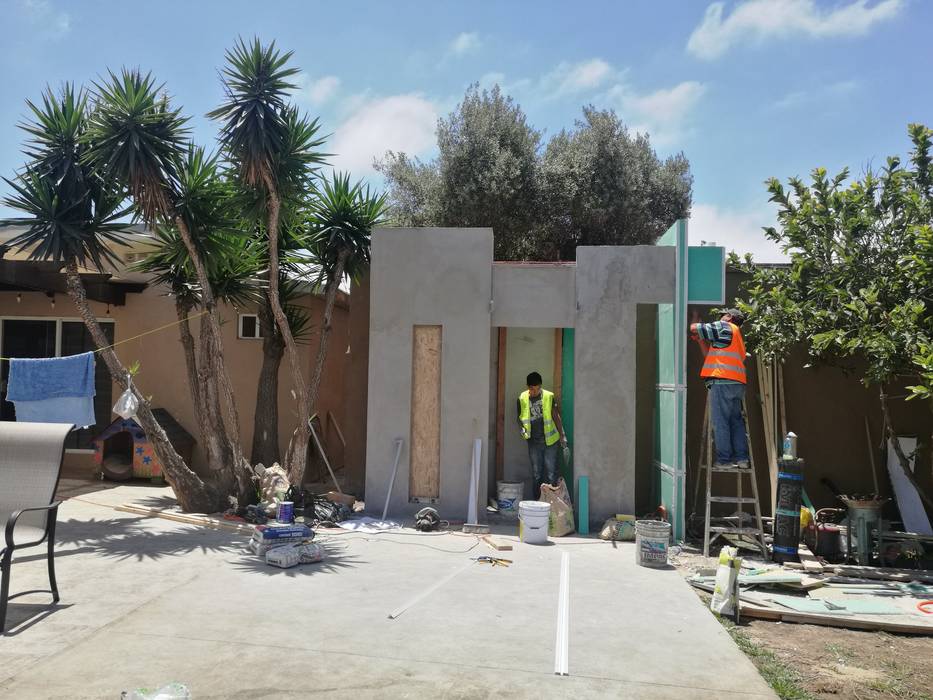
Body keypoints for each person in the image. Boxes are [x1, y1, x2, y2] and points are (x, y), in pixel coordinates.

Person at [690, 309, 750, 469]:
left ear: (729, 317)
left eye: (723, 315)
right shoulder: (736, 337)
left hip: (722, 382)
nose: (720, 317)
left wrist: (695, 318)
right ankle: (742, 459)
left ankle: (724, 460)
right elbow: (709, 355)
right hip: (737, 384)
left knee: (721, 421)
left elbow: (694, 328)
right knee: (735, 421)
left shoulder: (724, 326)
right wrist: (701, 340)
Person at [517, 371, 567, 499]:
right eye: (533, 389)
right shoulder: (522, 398)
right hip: (534, 442)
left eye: (538, 388)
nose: (535, 391)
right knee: (536, 474)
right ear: (528, 387)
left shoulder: (548, 396)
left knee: (551, 474)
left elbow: (556, 416)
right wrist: (522, 429)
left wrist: (562, 435)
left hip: (550, 441)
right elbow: (520, 418)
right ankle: (537, 502)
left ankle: (551, 503)